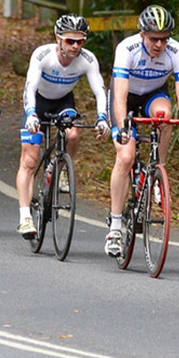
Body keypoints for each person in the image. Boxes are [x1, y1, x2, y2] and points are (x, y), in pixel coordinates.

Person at [104, 4, 179, 257]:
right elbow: (120, 94)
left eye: (165, 39)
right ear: (142, 34)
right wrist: (123, 125)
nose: (160, 45)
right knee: (125, 156)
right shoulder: (127, 48)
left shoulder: (177, 51)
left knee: (165, 116)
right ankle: (114, 226)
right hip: (125, 97)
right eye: (154, 39)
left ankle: (159, 169)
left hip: (154, 94)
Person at [15, 15, 110, 239]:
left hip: (63, 102)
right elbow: (30, 88)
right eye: (70, 41)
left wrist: (103, 118)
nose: (76, 46)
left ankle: (60, 167)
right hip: (38, 103)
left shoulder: (87, 59)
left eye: (80, 41)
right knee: (29, 160)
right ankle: (25, 217)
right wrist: (30, 114)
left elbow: (99, 90)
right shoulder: (42, 55)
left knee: (73, 134)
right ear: (58, 39)